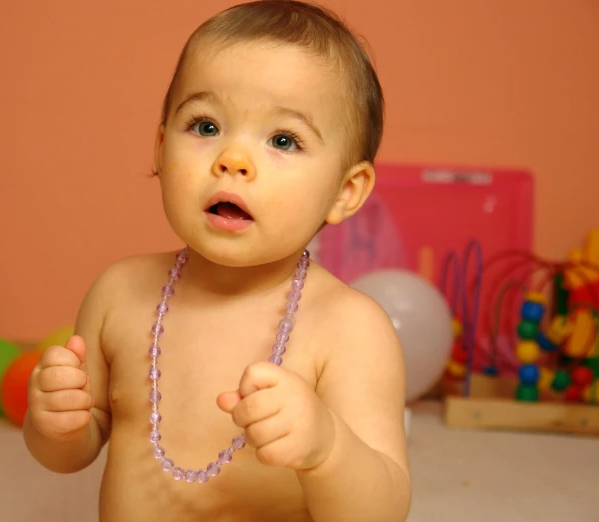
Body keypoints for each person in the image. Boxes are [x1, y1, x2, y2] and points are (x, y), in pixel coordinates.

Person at [23, 1, 411, 520]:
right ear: (160, 148)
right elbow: (70, 454)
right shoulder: (119, 294)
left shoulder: (349, 329)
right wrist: (56, 424)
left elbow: (383, 510)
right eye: (206, 126)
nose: (233, 160)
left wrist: (328, 449)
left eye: (282, 139)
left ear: (346, 190)